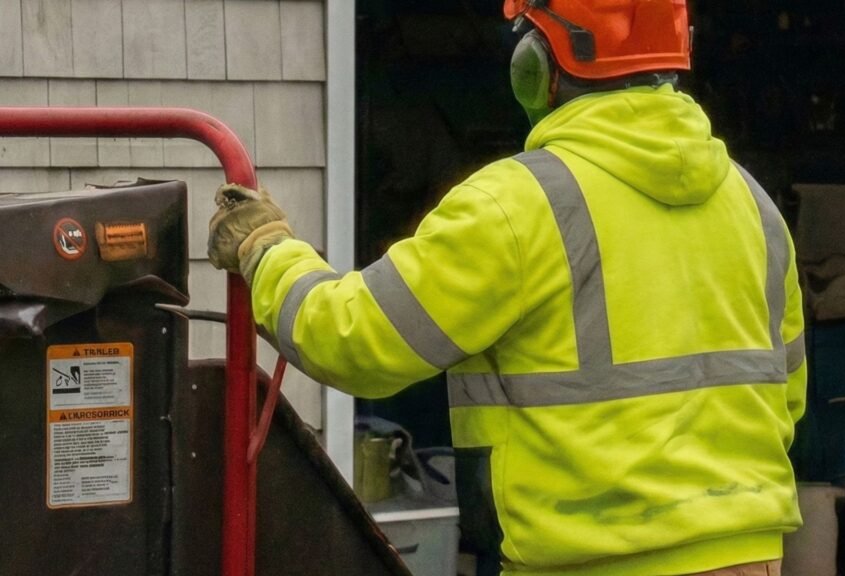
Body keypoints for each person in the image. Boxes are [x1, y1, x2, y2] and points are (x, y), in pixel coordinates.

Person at [207, 1, 807, 574]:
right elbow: (789, 397)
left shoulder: (517, 207)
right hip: (749, 558)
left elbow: (356, 338)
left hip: (587, 563)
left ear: (536, 65)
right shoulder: (754, 207)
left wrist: (266, 251)